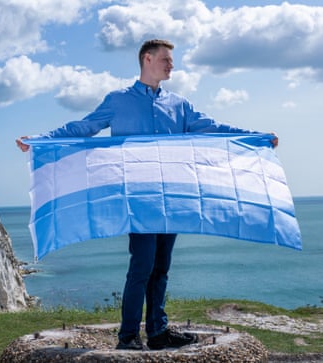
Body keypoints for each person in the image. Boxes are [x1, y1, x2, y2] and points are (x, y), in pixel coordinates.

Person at [16, 39, 278, 350]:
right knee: (141, 267)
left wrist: (256, 137)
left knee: (161, 268)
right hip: (137, 200)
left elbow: (213, 128)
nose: (172, 65)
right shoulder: (118, 100)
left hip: (172, 197)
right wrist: (40, 140)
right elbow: (83, 127)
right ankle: (127, 337)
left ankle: (158, 332)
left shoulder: (179, 105)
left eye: (171, 60)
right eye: (166, 59)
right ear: (147, 59)